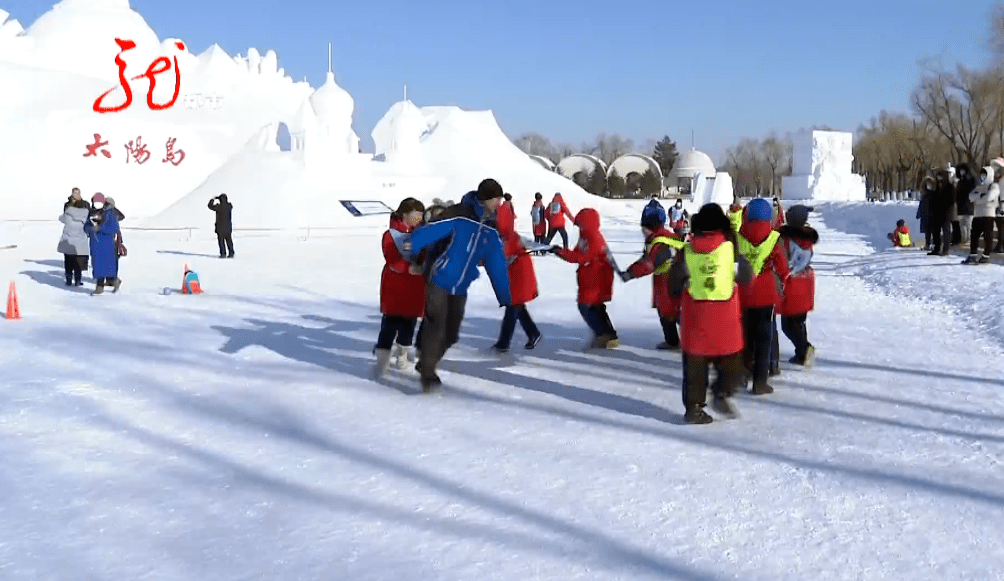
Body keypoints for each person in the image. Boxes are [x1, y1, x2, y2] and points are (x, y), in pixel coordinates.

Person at [409, 179, 512, 391]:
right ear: (485, 198)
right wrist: (414, 247)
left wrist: (505, 294)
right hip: (440, 276)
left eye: (500, 199)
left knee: (451, 334)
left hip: (461, 285)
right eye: (496, 199)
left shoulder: (491, 229)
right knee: (436, 323)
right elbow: (431, 230)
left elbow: (496, 263)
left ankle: (425, 361)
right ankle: (428, 372)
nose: (499, 203)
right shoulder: (459, 214)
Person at [669, 203, 753, 424]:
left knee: (694, 369)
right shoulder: (730, 251)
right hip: (725, 323)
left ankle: (694, 409)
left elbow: (673, 285)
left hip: (695, 321)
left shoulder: (685, 253)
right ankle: (722, 392)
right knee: (732, 363)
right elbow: (746, 275)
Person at [736, 198, 789, 394]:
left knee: (745, 336)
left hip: (743, 292)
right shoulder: (775, 238)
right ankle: (760, 382)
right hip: (766, 294)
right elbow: (783, 267)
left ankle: (742, 374)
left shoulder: (738, 237)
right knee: (764, 338)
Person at [374, 198, 426, 377]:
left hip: (416, 288)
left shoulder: (422, 233)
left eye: (421, 214)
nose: (419, 218)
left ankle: (402, 357)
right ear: (405, 213)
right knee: (389, 326)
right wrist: (411, 268)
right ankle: (382, 361)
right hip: (395, 288)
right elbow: (392, 260)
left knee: (409, 326)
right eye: (416, 214)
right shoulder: (391, 235)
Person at [553, 208, 618, 349]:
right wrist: (560, 251)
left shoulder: (594, 238)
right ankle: (608, 335)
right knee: (596, 307)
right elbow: (577, 253)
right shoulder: (585, 237)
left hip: (597, 279)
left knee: (586, 307)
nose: (579, 228)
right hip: (589, 277)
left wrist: (560, 252)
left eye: (581, 225)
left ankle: (603, 334)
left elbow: (581, 257)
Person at [622, 207, 685, 349]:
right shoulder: (667, 237)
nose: (643, 233)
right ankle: (686, 339)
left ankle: (673, 342)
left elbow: (648, 264)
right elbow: (645, 259)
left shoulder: (658, 243)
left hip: (666, 283)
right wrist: (631, 269)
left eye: (644, 229)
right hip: (676, 281)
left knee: (667, 313)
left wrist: (631, 273)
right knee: (677, 312)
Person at [491, 200, 542, 352]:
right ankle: (533, 333)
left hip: (518, 279)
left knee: (513, 307)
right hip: (517, 278)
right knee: (516, 306)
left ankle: (503, 344)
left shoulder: (507, 238)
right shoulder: (508, 236)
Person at [778, 205, 818, 366]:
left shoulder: (785, 239)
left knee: (788, 324)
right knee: (799, 321)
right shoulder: (807, 237)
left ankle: (804, 349)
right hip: (806, 281)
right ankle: (801, 353)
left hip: (791, 283)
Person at [83, 193, 122, 295]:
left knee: (107, 266)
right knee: (97, 266)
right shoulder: (91, 213)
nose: (97, 204)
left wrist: (99, 228)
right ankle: (100, 286)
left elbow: (114, 228)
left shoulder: (109, 213)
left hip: (107, 243)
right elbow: (85, 226)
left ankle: (113, 282)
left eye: (99, 202)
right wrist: (90, 229)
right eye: (95, 202)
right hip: (95, 244)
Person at [964, 165, 1000, 264]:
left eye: (985, 173)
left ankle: (986, 256)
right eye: (982, 173)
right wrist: (981, 197)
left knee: (988, 236)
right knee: (974, 236)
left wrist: (978, 199)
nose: (983, 176)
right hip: (977, 215)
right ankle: (973, 255)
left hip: (988, 215)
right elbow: (970, 196)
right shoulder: (979, 186)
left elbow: (989, 196)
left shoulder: (994, 186)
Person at [58, 194, 91, 286]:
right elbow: (88, 226)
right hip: (80, 242)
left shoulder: (68, 213)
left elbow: (61, 219)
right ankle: (77, 280)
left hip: (68, 240)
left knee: (68, 262)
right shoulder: (85, 214)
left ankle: (68, 280)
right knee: (78, 263)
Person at [928, 170, 953, 256]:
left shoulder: (950, 187)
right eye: (938, 176)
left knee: (946, 231)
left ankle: (946, 250)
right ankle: (937, 248)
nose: (939, 178)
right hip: (936, 213)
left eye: (941, 176)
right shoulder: (936, 187)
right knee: (935, 232)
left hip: (946, 214)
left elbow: (951, 200)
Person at [208, 194, 234, 258]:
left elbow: (210, 206)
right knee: (229, 241)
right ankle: (231, 253)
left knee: (221, 242)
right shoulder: (229, 206)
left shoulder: (219, 207)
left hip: (220, 228)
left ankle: (223, 253)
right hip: (228, 227)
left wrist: (213, 199)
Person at [956, 164, 976, 245]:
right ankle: (965, 240)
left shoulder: (970, 181)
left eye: (963, 170)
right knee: (964, 226)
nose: (961, 172)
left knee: (967, 225)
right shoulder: (960, 181)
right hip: (962, 207)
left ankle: (967, 240)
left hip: (968, 207)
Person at [917, 177, 934, 250]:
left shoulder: (934, 193)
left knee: (934, 231)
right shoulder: (923, 194)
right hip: (925, 215)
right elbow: (921, 204)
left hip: (933, 215)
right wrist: (919, 214)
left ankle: (935, 245)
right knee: (927, 232)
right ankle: (927, 245)